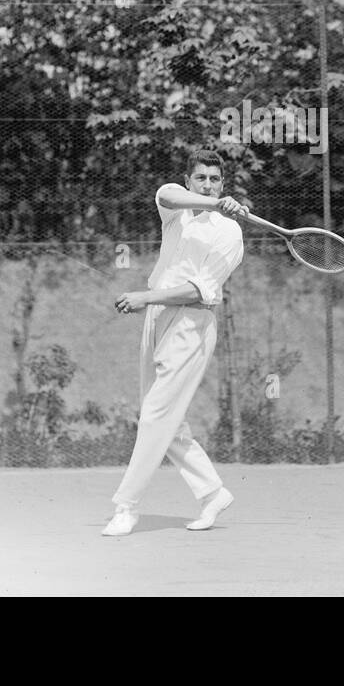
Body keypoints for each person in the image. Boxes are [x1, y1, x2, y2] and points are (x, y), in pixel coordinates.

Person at [103, 150, 248, 536]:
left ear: (224, 182)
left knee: (155, 416)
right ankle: (212, 492)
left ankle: (126, 507)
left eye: (215, 180)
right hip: (156, 318)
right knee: (167, 421)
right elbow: (165, 194)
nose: (208, 184)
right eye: (200, 178)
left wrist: (144, 297)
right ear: (190, 181)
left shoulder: (230, 233)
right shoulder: (177, 209)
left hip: (191, 325)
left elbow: (200, 292)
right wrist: (214, 203)